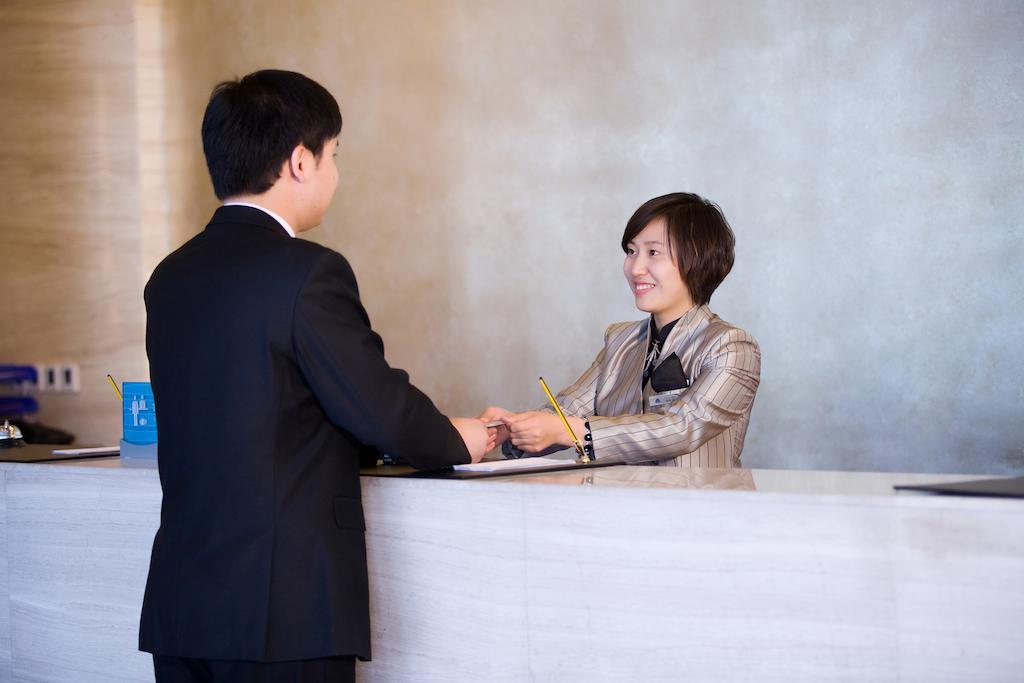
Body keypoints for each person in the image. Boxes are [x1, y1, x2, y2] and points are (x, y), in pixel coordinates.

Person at [139, 69, 488, 682]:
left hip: (184, 604)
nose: (335, 174)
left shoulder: (170, 277)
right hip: (283, 611)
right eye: (334, 156)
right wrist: (462, 439)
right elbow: (377, 405)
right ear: (300, 161)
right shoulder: (307, 272)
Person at [482, 192, 760, 468]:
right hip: (620, 506)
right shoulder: (621, 341)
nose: (635, 268)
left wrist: (570, 430)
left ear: (697, 258)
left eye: (653, 252)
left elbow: (682, 427)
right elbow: (567, 410)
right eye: (631, 251)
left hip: (699, 510)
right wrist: (510, 428)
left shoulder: (732, 346)